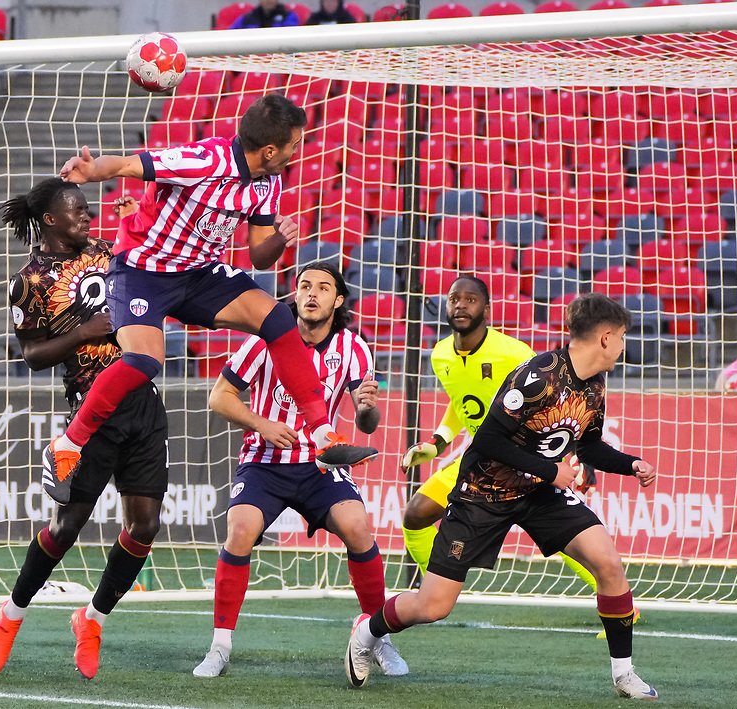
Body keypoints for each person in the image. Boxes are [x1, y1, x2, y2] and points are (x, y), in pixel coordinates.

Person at [50, 93, 376, 504]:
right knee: (145, 361)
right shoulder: (205, 160)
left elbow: (259, 254)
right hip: (143, 271)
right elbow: (128, 164)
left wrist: (278, 238)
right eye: (294, 144)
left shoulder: (269, 181)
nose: (297, 152)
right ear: (270, 149)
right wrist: (92, 169)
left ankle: (324, 437)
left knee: (277, 317)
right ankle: (67, 446)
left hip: (199, 275)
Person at [347, 293, 660, 701]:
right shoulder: (539, 375)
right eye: (621, 337)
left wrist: (630, 463)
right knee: (433, 606)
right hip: (483, 493)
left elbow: (589, 444)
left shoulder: (595, 386)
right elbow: (489, 439)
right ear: (604, 338)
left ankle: (624, 675)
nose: (623, 346)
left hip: (537, 492)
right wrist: (553, 470)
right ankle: (368, 631)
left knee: (608, 563)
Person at [0, 179, 168, 680]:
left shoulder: (111, 252)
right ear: (49, 219)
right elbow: (31, 355)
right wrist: (83, 332)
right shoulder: (29, 281)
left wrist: (139, 222)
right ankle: (10, 616)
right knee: (66, 528)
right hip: (92, 409)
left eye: (87, 209)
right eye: (77, 210)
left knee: (145, 526)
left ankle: (92, 619)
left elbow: (154, 270)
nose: (87, 216)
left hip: (143, 402)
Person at [193, 262, 407, 679]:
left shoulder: (353, 347)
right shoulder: (264, 341)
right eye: (304, 286)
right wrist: (262, 424)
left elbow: (366, 424)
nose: (311, 293)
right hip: (264, 463)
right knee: (240, 529)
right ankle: (219, 646)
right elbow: (220, 398)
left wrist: (367, 408)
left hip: (319, 465)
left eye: (323, 287)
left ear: (338, 300)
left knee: (358, 526)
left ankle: (377, 637)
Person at [402, 276, 599, 594]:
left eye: (471, 299)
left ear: (487, 310)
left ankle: (617, 599)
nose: (461, 305)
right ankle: (433, 593)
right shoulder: (440, 355)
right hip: (480, 460)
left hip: (525, 459)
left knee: (562, 534)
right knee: (415, 515)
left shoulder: (513, 353)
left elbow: (558, 396)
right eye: (454, 299)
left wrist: (576, 452)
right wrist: (437, 443)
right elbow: (461, 401)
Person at [230, 0, 300, 28]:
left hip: (280, 55)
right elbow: (232, 35)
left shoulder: (288, 16)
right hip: (252, 56)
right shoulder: (247, 18)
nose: (268, 1)